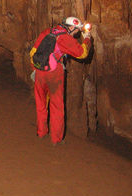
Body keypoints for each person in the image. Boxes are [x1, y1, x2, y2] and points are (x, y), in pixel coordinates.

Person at [29, 16, 92, 145]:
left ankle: (41, 132)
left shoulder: (47, 31)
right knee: (57, 106)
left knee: (41, 103)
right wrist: (87, 39)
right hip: (54, 74)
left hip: (40, 72)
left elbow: (33, 52)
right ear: (71, 27)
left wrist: (36, 69)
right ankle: (56, 138)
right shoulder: (65, 38)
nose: (76, 34)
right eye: (76, 31)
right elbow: (82, 53)